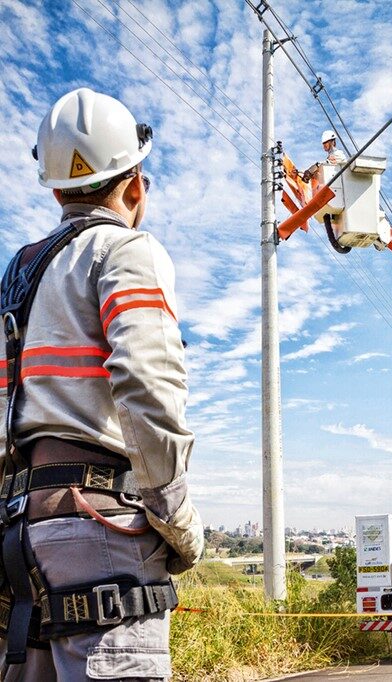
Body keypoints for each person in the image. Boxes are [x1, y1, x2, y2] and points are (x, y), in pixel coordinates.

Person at [0, 87, 204, 680]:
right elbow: (147, 385)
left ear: (56, 189)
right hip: (100, 527)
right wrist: (175, 517)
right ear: (135, 184)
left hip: (19, 532)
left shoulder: (18, 275)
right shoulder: (126, 250)